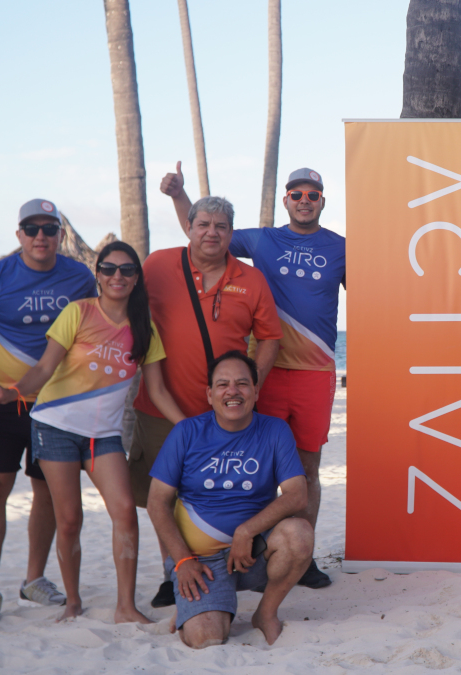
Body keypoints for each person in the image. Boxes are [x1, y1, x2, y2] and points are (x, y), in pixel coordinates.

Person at [162, 165, 344, 589]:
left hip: (316, 373)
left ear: (322, 201)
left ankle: (303, 557)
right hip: (266, 374)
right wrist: (179, 196)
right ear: (286, 200)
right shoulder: (262, 239)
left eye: (312, 195)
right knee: (259, 465)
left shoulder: (341, 248)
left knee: (308, 468)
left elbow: (375, 293)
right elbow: (205, 232)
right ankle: (250, 550)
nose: (304, 201)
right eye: (296, 194)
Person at [0, 241, 187, 624]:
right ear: (98, 274)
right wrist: (12, 392)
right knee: (69, 519)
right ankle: (73, 603)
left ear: (136, 278)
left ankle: (125, 608)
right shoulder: (77, 313)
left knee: (125, 512)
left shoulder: (144, 328)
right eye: (109, 269)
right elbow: (44, 369)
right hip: (55, 427)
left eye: (127, 269)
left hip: (104, 436)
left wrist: (190, 426)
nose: (117, 276)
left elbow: (158, 391)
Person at [129, 195, 282, 608]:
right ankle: (173, 571)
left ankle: (229, 566)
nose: (212, 232)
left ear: (231, 233)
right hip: (160, 408)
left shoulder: (251, 279)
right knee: (163, 495)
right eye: (204, 225)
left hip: (226, 413)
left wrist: (251, 386)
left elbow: (270, 337)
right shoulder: (157, 265)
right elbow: (127, 310)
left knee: (218, 490)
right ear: (189, 227)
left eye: (221, 226)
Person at [0, 198, 96, 621]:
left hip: (56, 405)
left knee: (46, 491)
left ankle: (34, 580)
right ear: (19, 234)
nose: (40, 236)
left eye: (49, 228)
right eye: (31, 229)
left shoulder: (80, 276)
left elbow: (97, 329)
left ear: (61, 235)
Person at [147, 350, 314, 647]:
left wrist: (246, 531)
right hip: (201, 560)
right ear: (210, 394)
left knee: (299, 534)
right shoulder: (186, 432)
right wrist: (183, 560)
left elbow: (297, 495)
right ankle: (197, 608)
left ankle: (265, 613)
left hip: (253, 551)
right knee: (205, 638)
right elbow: (156, 502)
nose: (232, 391)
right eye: (222, 384)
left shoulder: (275, 430)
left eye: (242, 383)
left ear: (256, 391)